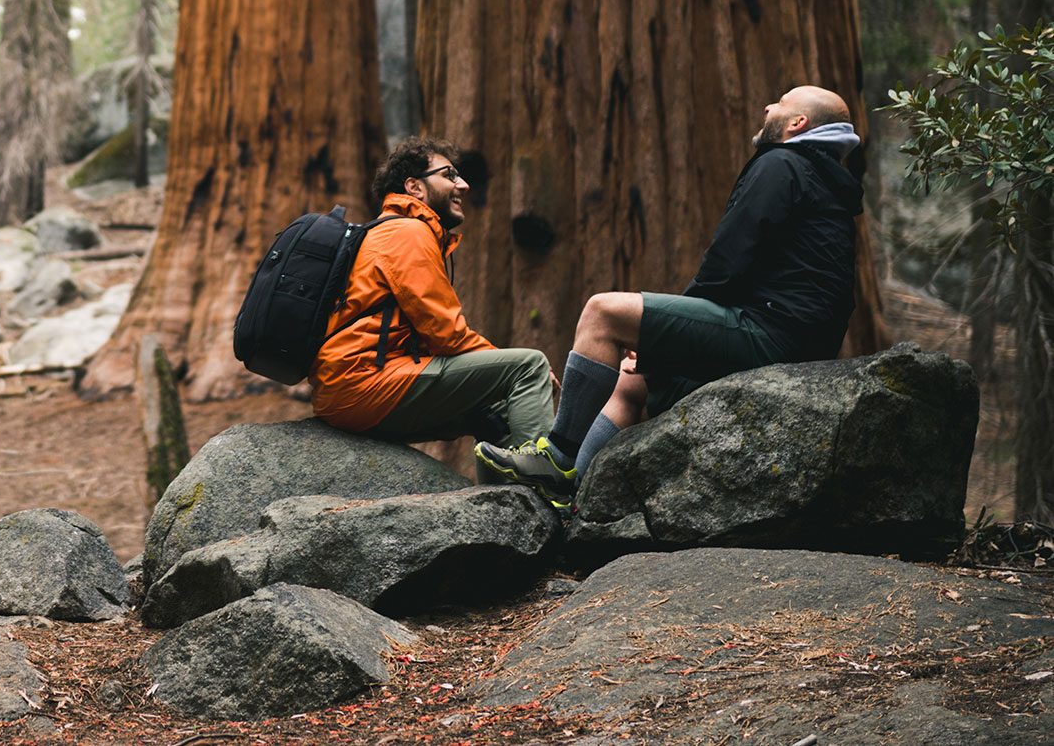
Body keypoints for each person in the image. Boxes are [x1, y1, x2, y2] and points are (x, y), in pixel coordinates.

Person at [475, 85, 865, 507]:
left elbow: (728, 262)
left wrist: (661, 344)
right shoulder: (826, 185)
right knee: (632, 382)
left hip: (769, 335)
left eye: (781, 103)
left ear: (797, 123)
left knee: (602, 313)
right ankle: (574, 499)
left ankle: (557, 457)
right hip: (799, 343)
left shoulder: (782, 163)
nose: (768, 106)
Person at [311, 137, 557, 467]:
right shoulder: (407, 232)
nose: (463, 185)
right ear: (415, 187)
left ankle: (512, 495)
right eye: (449, 175)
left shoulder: (391, 231)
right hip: (364, 381)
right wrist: (513, 370)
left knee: (493, 411)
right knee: (529, 366)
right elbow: (446, 334)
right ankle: (540, 477)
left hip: (348, 387)